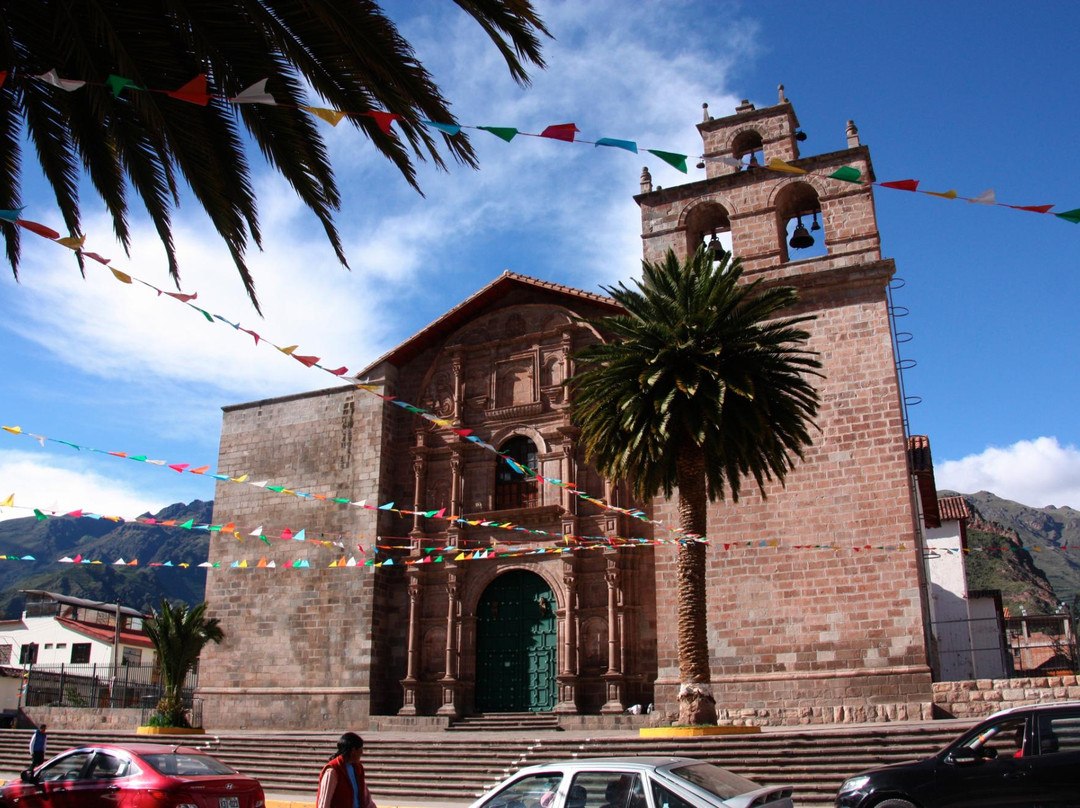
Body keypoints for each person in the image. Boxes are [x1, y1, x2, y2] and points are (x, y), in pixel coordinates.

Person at [316, 732, 375, 808]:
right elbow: (324, 803)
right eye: (360, 749)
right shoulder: (333, 771)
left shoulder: (358, 769)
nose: (362, 753)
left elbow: (365, 798)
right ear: (353, 751)